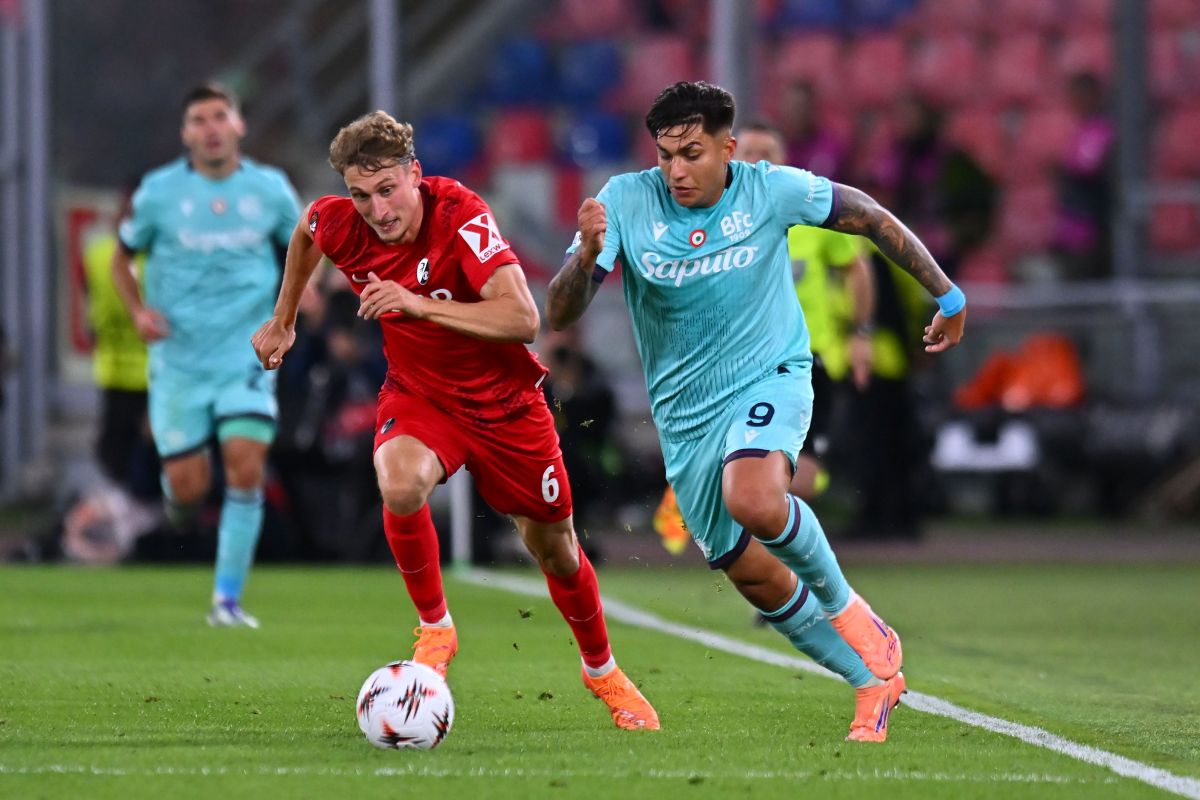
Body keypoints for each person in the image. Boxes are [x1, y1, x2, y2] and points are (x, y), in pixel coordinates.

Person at [547, 81, 967, 742]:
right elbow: (559, 312)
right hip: (685, 418)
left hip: (771, 375)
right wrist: (588, 259)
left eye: (691, 153)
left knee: (754, 498)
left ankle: (853, 612)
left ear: (728, 148)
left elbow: (867, 215)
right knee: (754, 576)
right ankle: (871, 683)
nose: (676, 171)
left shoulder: (769, 189)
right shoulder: (625, 201)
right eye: (665, 156)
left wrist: (947, 294)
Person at [250, 110, 658, 731]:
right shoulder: (342, 221)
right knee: (399, 483)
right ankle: (436, 628)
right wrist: (284, 320)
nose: (377, 210)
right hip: (421, 395)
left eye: (387, 190)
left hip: (505, 405)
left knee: (556, 550)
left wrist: (415, 304)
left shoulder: (460, 217)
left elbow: (523, 319)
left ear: (415, 174)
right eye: (361, 195)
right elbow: (309, 231)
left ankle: (602, 670)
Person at [111, 83, 302, 627]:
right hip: (180, 361)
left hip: (246, 354)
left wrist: (296, 300)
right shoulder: (158, 193)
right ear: (185, 133)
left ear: (239, 125)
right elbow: (121, 259)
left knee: (246, 461)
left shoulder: (270, 189)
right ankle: (178, 509)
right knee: (188, 487)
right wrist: (138, 311)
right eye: (199, 119)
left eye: (220, 116)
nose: (211, 127)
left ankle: (227, 601)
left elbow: (304, 247)